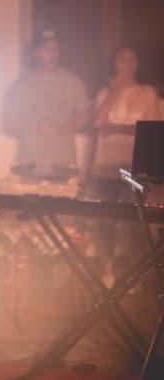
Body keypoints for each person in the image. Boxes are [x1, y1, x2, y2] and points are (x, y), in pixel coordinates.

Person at [89, 46, 160, 286]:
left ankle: (137, 278)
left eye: (133, 59)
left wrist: (117, 128)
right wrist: (114, 92)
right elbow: (97, 122)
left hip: (134, 168)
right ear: (115, 64)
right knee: (106, 221)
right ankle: (106, 271)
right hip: (106, 168)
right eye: (123, 59)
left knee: (135, 223)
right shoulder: (105, 93)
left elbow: (150, 126)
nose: (128, 64)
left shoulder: (147, 92)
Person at [1, 30, 90, 182]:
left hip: (64, 167)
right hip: (30, 167)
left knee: (64, 206)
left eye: (55, 48)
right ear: (36, 53)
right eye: (46, 49)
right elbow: (8, 122)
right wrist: (37, 126)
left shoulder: (73, 82)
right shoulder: (21, 85)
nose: (52, 53)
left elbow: (85, 117)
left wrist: (62, 127)